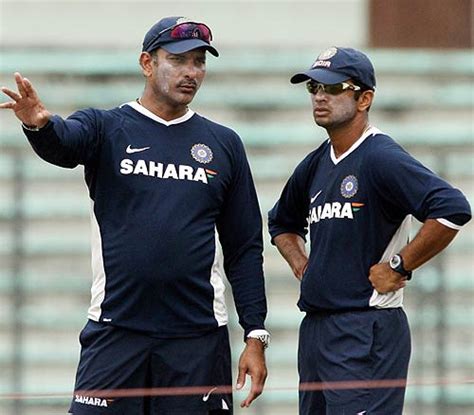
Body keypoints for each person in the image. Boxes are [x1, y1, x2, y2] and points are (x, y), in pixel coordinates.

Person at [1, 16, 270, 415]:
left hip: (196, 339)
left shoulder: (224, 144)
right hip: (117, 330)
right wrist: (40, 125)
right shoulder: (107, 127)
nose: (191, 73)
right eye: (178, 61)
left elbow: (244, 246)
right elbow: (64, 144)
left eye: (199, 62)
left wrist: (255, 333)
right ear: (147, 63)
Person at [268, 46, 471, 414]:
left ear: (364, 98)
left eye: (332, 88)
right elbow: (282, 221)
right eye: (313, 87)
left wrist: (399, 264)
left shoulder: (380, 156)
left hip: (365, 329)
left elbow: (452, 209)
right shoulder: (316, 162)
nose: (319, 97)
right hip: (316, 330)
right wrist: (301, 263)